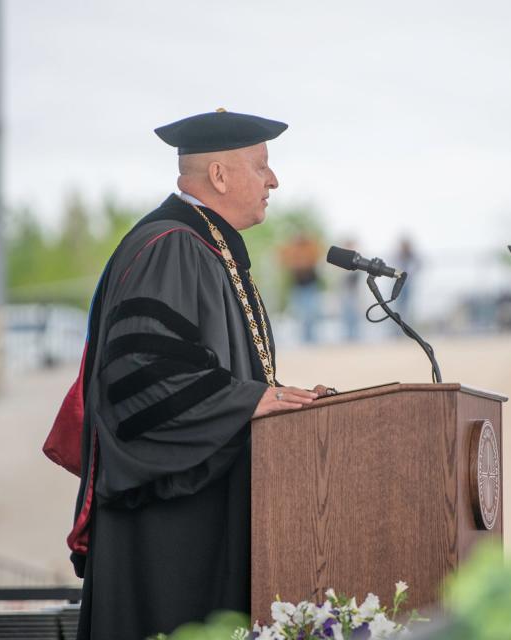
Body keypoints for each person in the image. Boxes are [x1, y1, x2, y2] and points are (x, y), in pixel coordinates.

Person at [56, 109, 331, 640]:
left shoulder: (211, 246)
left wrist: (281, 402)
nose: (274, 180)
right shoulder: (173, 247)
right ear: (220, 176)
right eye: (262, 166)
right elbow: (144, 378)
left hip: (197, 516)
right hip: (169, 532)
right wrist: (251, 400)